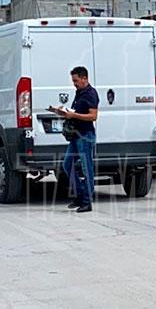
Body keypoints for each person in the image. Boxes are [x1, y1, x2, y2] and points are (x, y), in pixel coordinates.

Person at [55, 66, 99, 213]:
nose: (74, 84)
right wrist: (64, 112)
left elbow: (93, 116)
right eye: (73, 81)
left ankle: (87, 201)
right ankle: (80, 194)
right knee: (67, 164)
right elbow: (78, 111)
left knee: (87, 169)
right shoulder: (79, 92)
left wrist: (73, 115)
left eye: (76, 80)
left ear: (84, 78)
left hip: (85, 135)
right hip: (76, 135)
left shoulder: (91, 94)